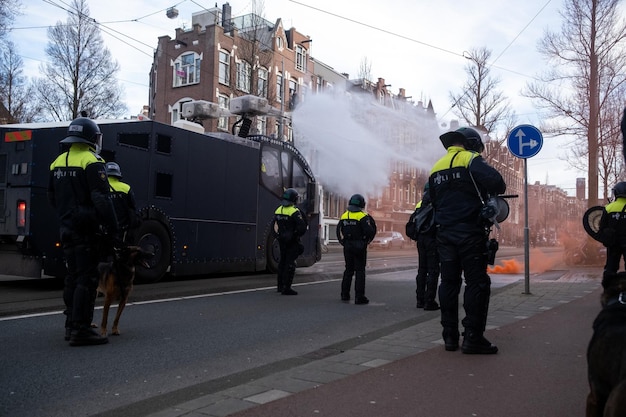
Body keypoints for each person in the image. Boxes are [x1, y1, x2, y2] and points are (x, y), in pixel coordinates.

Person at [428, 126, 506, 354]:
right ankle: (473, 337)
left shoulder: (436, 167)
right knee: (477, 283)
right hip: (470, 233)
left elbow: (433, 199)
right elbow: (498, 184)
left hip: (444, 233)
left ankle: (449, 337)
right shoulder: (472, 160)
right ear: (473, 144)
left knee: (449, 283)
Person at [48, 117, 118, 346]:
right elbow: (101, 199)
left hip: (66, 227)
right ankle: (81, 329)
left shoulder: (57, 162)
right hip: (87, 230)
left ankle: (70, 325)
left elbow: (52, 197)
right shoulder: (92, 161)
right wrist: (112, 226)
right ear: (91, 138)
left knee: (72, 277)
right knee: (87, 279)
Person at [336, 194, 377, 305]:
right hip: (359, 246)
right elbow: (371, 230)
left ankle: (344, 294)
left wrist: (342, 242)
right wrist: (366, 241)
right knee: (360, 271)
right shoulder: (363, 216)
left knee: (348, 270)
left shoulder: (345, 215)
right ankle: (359, 297)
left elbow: (338, 230)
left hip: (347, 246)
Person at [273, 188, 308, 295]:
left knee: (282, 262)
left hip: (282, 240)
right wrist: (295, 235)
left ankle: (280, 286)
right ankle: (286, 288)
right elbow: (302, 227)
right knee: (290, 264)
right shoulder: (294, 211)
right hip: (292, 241)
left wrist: (279, 236)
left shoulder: (278, 210)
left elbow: (274, 226)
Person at [413, 187, 440, 311]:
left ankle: (420, 300)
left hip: (421, 240)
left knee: (422, 270)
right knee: (433, 271)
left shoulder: (420, 204)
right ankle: (429, 301)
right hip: (432, 240)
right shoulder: (438, 202)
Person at [105, 161, 141, 244]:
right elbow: (133, 209)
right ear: (118, 174)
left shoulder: (100, 188)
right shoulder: (126, 188)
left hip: (105, 231)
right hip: (122, 231)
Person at [598, 181, 626, 275]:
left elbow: (602, 227)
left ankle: (609, 287)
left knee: (611, 267)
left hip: (613, 243)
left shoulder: (608, 208)